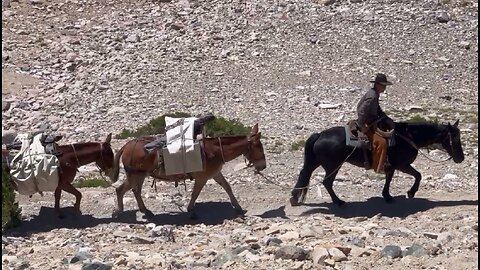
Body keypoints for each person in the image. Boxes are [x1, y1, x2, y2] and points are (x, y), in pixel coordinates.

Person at [357, 73, 394, 173]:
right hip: (367, 124)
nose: (385, 88)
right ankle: (378, 167)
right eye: (383, 85)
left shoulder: (375, 94)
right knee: (381, 143)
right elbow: (361, 111)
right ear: (377, 85)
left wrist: (387, 119)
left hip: (373, 121)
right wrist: (361, 125)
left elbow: (377, 110)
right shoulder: (372, 96)